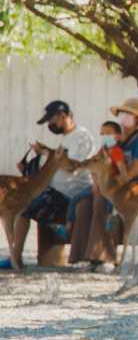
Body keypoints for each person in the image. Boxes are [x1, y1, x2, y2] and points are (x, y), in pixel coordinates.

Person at [1, 100, 95, 269]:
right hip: (53, 191)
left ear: (62, 115)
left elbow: (73, 166)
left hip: (70, 193)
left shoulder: (82, 136)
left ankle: (15, 259)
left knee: (24, 208)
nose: (50, 125)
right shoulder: (65, 140)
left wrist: (48, 153)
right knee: (19, 206)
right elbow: (52, 168)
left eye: (51, 120)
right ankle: (15, 258)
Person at [69, 100, 138, 268]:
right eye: (123, 114)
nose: (125, 118)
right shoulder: (112, 140)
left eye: (129, 115)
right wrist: (96, 183)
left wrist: (114, 185)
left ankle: (101, 256)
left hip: (132, 187)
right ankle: (80, 256)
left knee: (102, 202)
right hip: (109, 186)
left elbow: (135, 171)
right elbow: (97, 163)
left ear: (137, 119)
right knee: (83, 205)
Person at [64, 120, 121, 237]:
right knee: (76, 199)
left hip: (111, 186)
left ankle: (110, 224)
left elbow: (121, 169)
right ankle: (67, 226)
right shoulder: (102, 151)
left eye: (108, 134)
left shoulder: (117, 151)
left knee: (111, 202)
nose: (105, 137)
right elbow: (93, 168)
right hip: (98, 184)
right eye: (103, 134)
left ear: (118, 135)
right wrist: (95, 183)